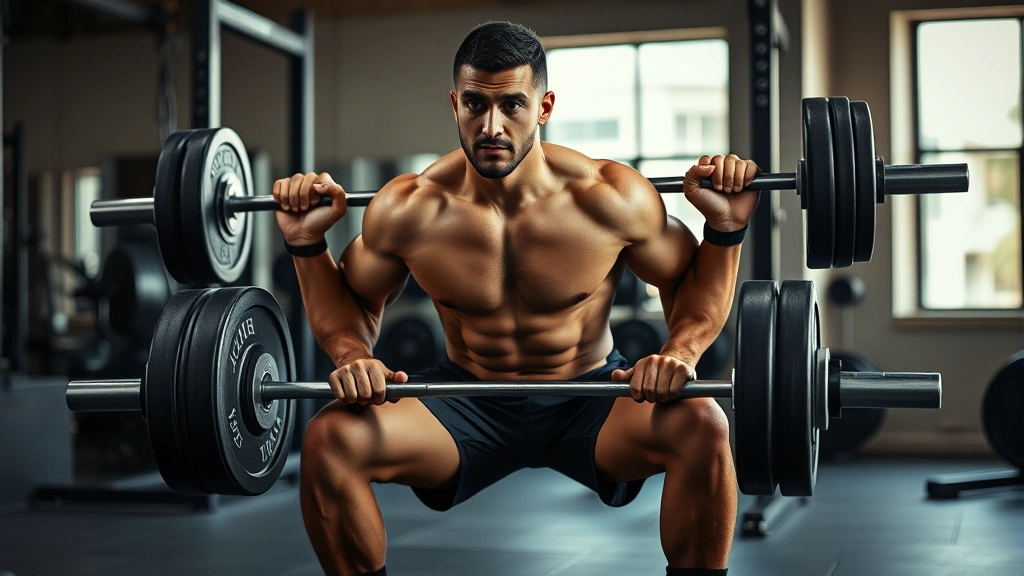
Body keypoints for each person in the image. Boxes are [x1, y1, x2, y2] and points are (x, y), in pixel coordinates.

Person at [273, 21, 758, 576]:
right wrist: (310, 255)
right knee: (330, 439)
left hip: (591, 395)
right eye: (475, 104)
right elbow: (354, 305)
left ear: (544, 107)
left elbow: (685, 285)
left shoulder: (609, 199)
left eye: (512, 105)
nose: (491, 126)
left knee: (703, 423)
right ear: (454, 104)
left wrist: (721, 240)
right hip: (466, 398)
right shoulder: (408, 208)